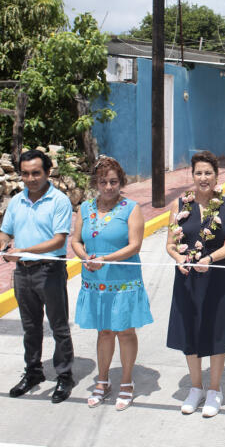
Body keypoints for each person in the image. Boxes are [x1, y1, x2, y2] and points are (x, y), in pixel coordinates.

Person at [72, 156, 153, 411]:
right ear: (96, 182)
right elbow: (75, 240)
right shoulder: (84, 208)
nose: (108, 187)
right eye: (103, 181)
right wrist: (85, 257)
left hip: (123, 280)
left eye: (114, 181)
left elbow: (134, 245)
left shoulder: (131, 208)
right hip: (95, 280)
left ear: (121, 182)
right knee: (104, 331)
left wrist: (105, 259)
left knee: (125, 331)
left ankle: (127, 382)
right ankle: (103, 380)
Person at [166, 151, 225, 418]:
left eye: (208, 172)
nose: (203, 178)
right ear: (193, 175)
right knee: (191, 331)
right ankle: (195, 387)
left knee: (215, 332)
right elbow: (170, 244)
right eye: (198, 172)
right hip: (187, 277)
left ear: (216, 175)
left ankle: (214, 390)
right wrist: (178, 259)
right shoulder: (179, 206)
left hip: (216, 275)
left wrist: (209, 258)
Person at [0, 149, 75, 403]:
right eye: (25, 173)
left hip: (49, 270)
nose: (30, 178)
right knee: (30, 328)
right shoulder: (17, 201)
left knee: (58, 326)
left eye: (36, 173)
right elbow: (4, 232)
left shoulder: (59, 200)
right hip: (23, 272)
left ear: (47, 172)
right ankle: (33, 372)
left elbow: (59, 240)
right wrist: (4, 245)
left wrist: (24, 250)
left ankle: (64, 376)